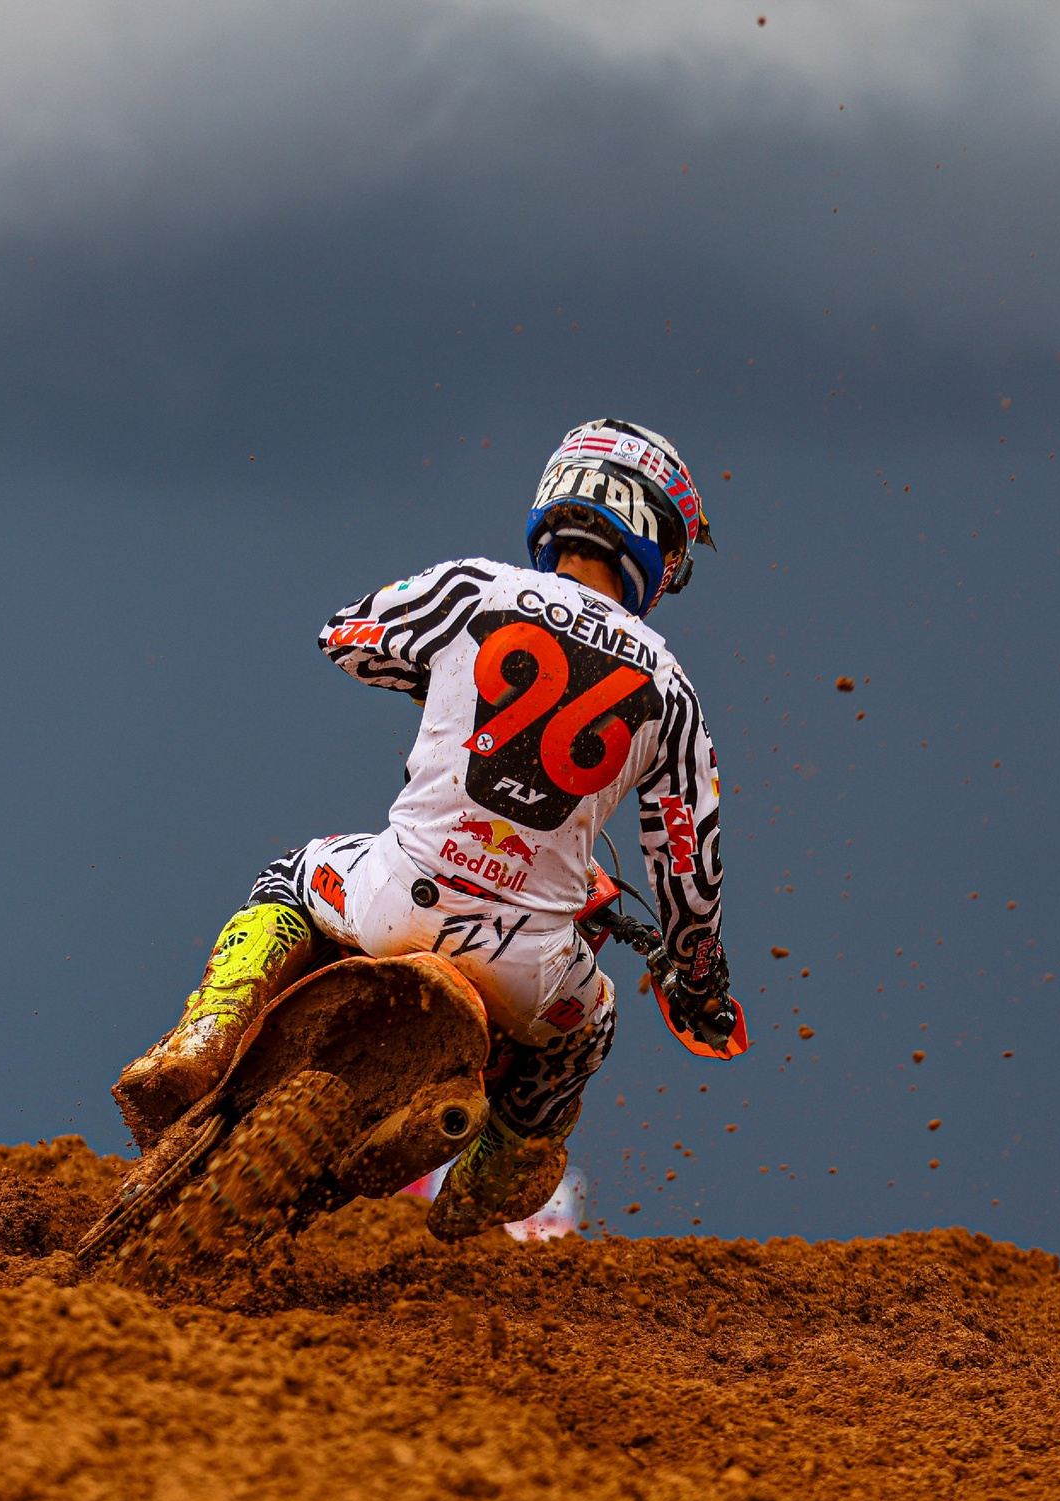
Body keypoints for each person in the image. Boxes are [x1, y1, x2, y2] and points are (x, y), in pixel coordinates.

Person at [114, 418, 741, 1238]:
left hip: (394, 899)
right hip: (528, 963)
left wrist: (445, 685)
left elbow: (346, 637)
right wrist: (699, 985)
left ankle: (207, 1030)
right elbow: (691, 874)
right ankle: (473, 1206)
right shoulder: (671, 689)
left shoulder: (475, 590)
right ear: (655, 537)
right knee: (591, 1029)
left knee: (290, 875)